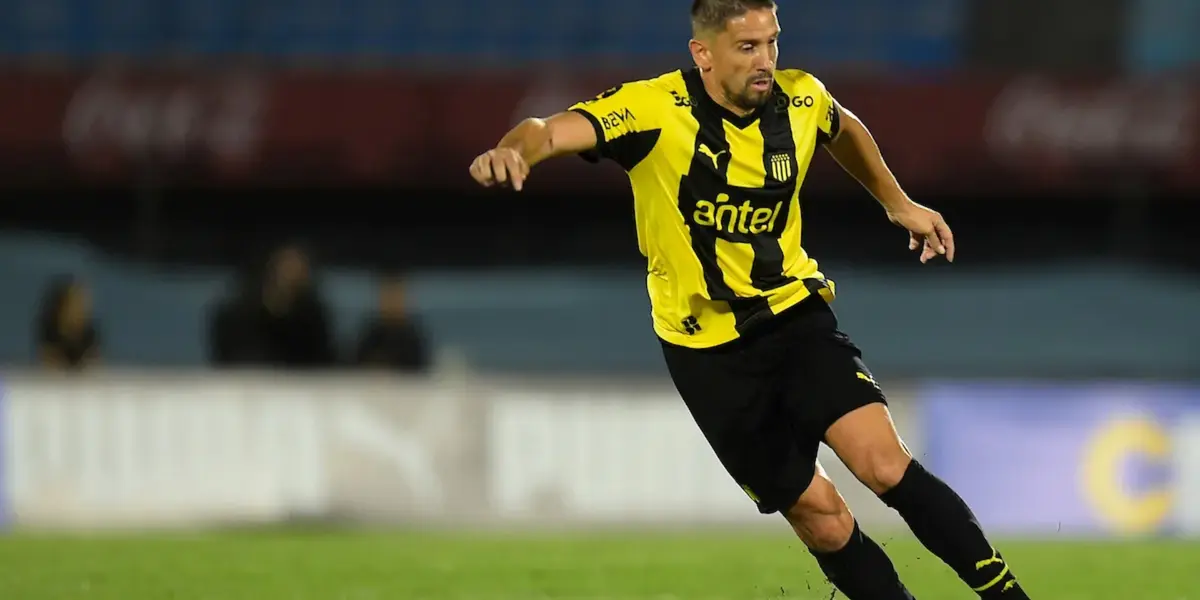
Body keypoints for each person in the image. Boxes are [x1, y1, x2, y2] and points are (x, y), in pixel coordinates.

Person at [468, 1, 1030, 599]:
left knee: (884, 464)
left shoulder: (801, 98)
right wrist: (515, 151)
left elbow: (844, 129)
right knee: (824, 519)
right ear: (702, 53)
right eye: (747, 48)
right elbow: (548, 129)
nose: (765, 62)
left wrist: (898, 203)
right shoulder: (654, 108)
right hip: (706, 352)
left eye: (772, 43)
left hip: (794, 316)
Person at [354, 276, 432, 373]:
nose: (392, 302)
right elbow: (357, 365)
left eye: (397, 296)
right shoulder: (371, 333)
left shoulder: (413, 337)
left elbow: (419, 368)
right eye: (388, 296)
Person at [35, 275, 101, 370]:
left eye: (81, 305)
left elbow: (95, 367)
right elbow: (47, 366)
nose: (78, 309)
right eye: (73, 304)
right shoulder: (50, 332)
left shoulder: (89, 333)